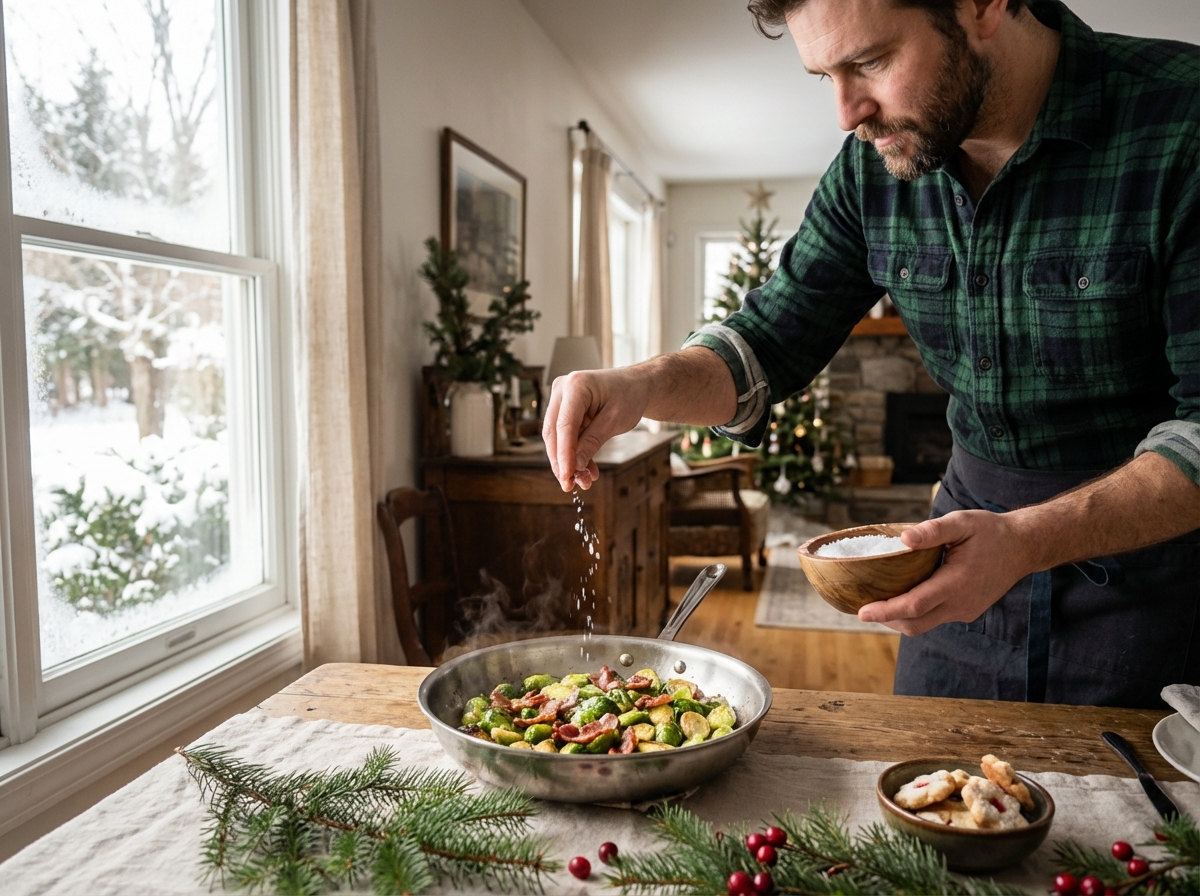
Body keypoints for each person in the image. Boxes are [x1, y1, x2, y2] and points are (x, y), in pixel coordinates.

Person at [543, 0, 1200, 709]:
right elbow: (767, 340)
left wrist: (1025, 539)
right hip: (952, 576)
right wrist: (638, 386)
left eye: (869, 62)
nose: (847, 112)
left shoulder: (1181, 123)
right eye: (824, 74)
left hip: (1157, 586)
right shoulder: (870, 169)